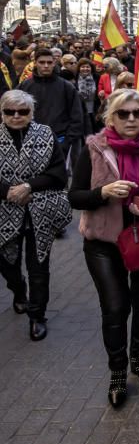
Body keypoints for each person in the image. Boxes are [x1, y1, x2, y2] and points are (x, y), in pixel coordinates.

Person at [69, 89, 139, 408]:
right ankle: (117, 371)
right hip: (103, 243)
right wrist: (102, 192)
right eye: (123, 113)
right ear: (110, 117)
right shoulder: (93, 148)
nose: (131, 119)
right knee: (116, 307)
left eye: (137, 113)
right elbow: (75, 196)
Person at [0, 90, 72, 341]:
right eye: (10, 111)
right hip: (4, 212)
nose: (17, 116)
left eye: (23, 111)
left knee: (38, 268)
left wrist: (28, 186)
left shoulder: (45, 133)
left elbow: (59, 173)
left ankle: (37, 316)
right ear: (2, 113)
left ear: (32, 112)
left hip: (39, 211)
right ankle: (19, 292)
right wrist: (8, 191)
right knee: (7, 264)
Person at [18, 48, 84, 162]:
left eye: (49, 62)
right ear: (35, 63)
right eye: (42, 62)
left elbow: (77, 116)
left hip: (60, 141)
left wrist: (68, 141)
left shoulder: (67, 87)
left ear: (54, 63)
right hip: (31, 143)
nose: (46, 66)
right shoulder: (25, 86)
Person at [75, 58, 98, 135]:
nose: (85, 69)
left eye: (87, 67)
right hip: (80, 109)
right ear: (79, 68)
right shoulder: (75, 78)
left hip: (94, 108)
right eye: (83, 67)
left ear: (91, 68)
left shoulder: (96, 77)